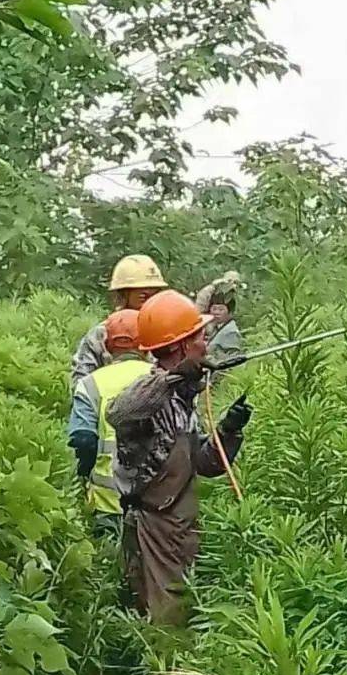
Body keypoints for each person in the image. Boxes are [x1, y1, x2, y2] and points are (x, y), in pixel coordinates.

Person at [107, 289, 251, 625]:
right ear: (181, 346)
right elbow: (119, 412)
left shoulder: (183, 400)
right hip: (154, 526)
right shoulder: (149, 393)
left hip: (181, 525)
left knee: (182, 607)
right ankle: (166, 670)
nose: (206, 342)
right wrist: (174, 378)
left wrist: (229, 431)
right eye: (200, 335)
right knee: (166, 615)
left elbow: (203, 463)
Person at [66, 310, 152, 536]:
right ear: (146, 343)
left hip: (107, 502)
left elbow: (82, 439)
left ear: (106, 345)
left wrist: (84, 475)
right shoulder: (163, 378)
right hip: (156, 503)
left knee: (107, 565)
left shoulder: (90, 384)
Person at [70, 254, 167, 390]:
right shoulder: (101, 335)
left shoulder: (167, 334)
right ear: (123, 296)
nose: (151, 302)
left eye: (155, 296)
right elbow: (80, 386)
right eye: (143, 296)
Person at [194, 269, 244, 361]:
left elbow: (232, 359)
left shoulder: (230, 332)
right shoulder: (213, 290)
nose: (217, 312)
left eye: (221, 309)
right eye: (214, 309)